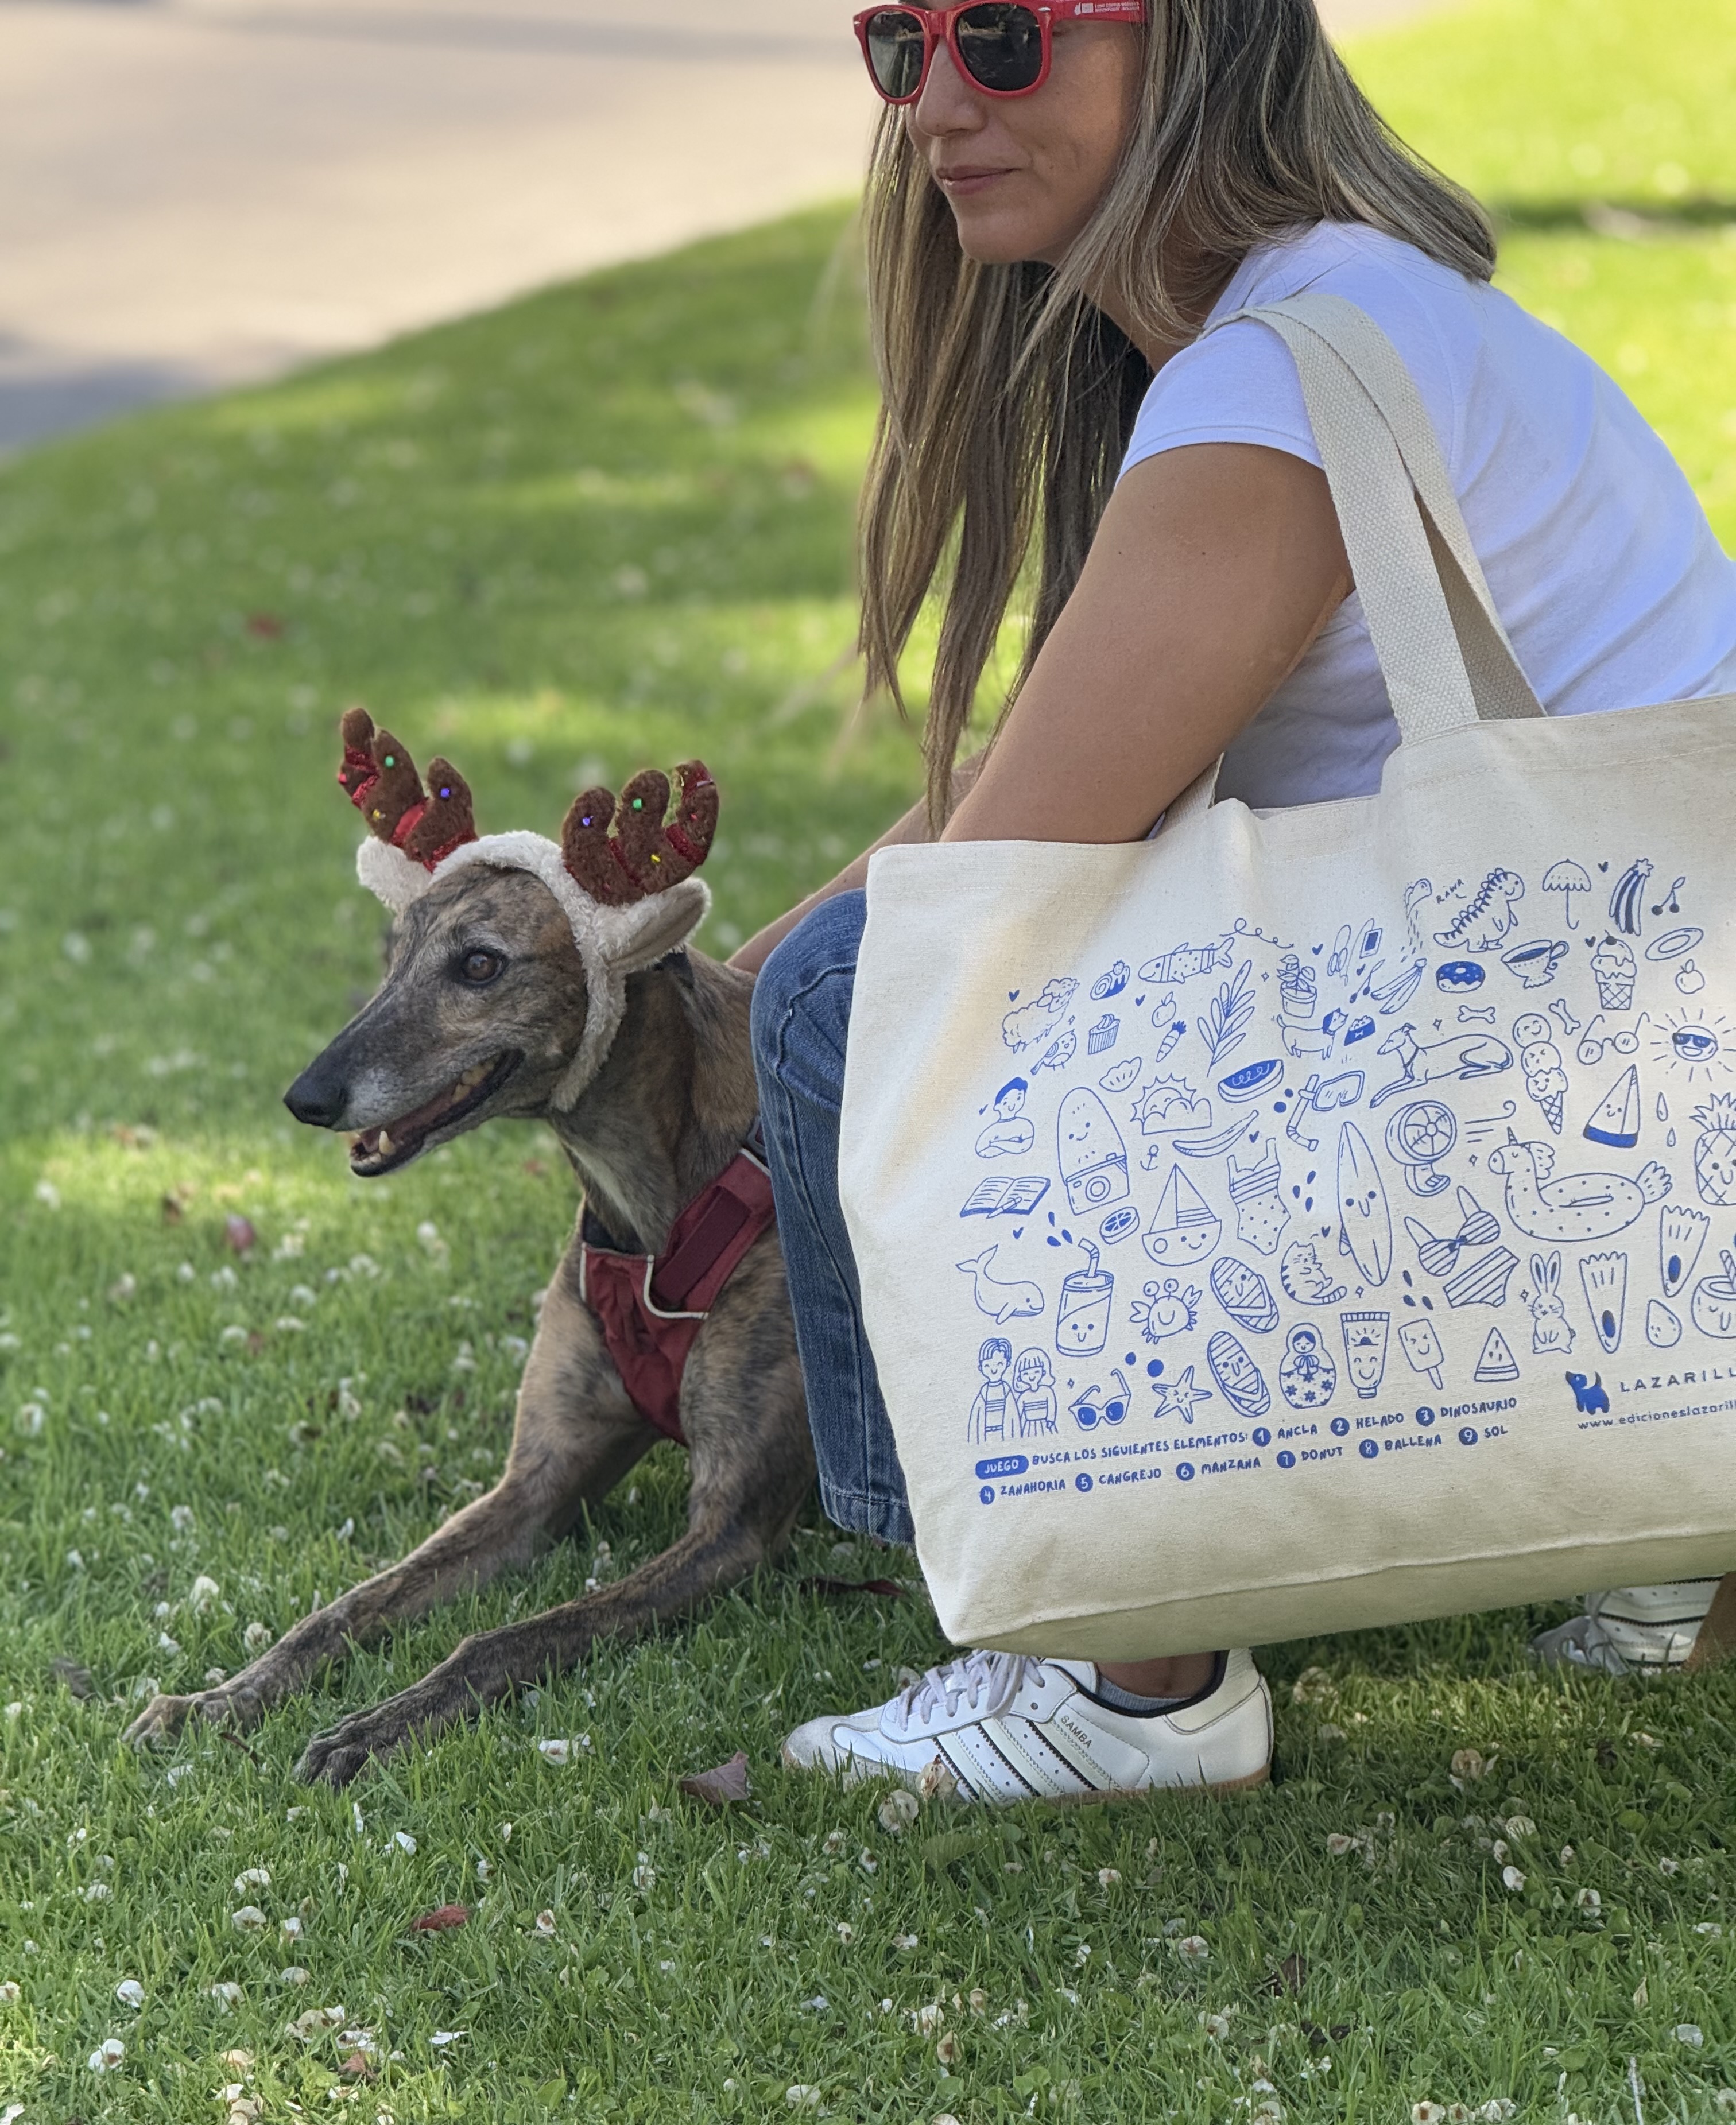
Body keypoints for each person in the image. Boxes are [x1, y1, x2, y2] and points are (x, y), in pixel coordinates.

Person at [737, 0, 1736, 1801]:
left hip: (1602, 1029)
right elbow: (1048, 769)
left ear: (1185, 43)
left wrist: (751, 1014)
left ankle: (1130, 1686)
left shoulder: (1269, 386)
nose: (937, 105)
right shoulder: (1332, 306)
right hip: (1651, 1030)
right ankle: (1660, 1515)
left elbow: (991, 880)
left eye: (1006, 39)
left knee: (835, 1003)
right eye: (899, 45)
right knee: (813, 967)